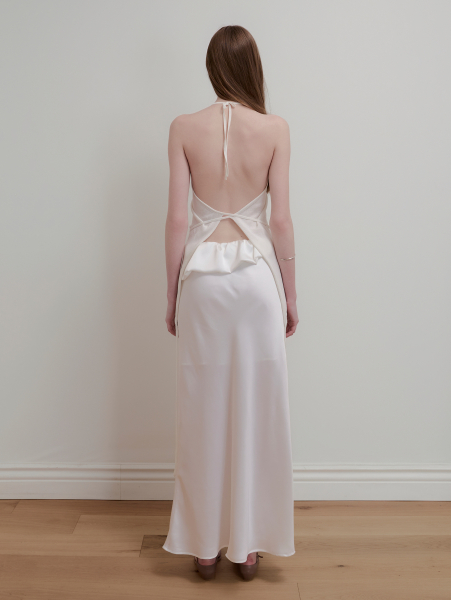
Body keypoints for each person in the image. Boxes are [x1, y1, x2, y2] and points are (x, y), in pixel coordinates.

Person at [163, 25, 298, 581]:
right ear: (252, 67)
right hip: (257, 281)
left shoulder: (182, 128)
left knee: (203, 409)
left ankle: (203, 547)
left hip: (203, 281)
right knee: (257, 409)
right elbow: (281, 221)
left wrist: (171, 292)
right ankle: (246, 548)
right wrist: (291, 294)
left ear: (212, 68)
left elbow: (177, 220)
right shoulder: (275, 129)